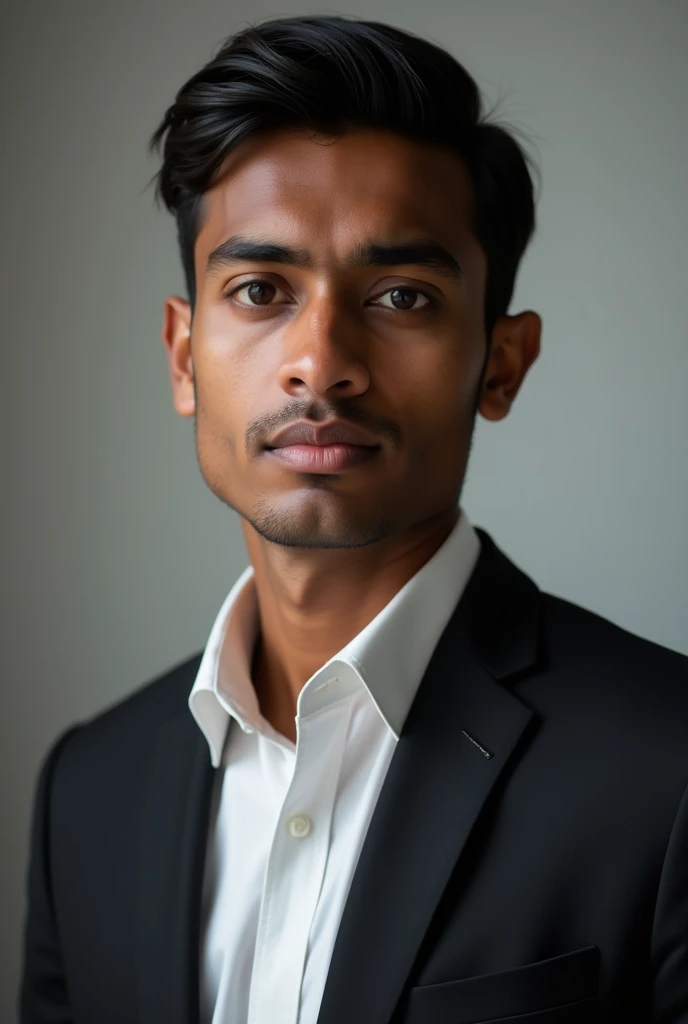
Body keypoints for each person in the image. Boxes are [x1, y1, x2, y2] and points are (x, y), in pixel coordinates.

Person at [19, 13, 688, 1024]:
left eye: (402, 296)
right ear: (180, 354)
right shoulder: (87, 790)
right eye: (259, 288)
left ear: (500, 362)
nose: (320, 358)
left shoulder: (667, 769)